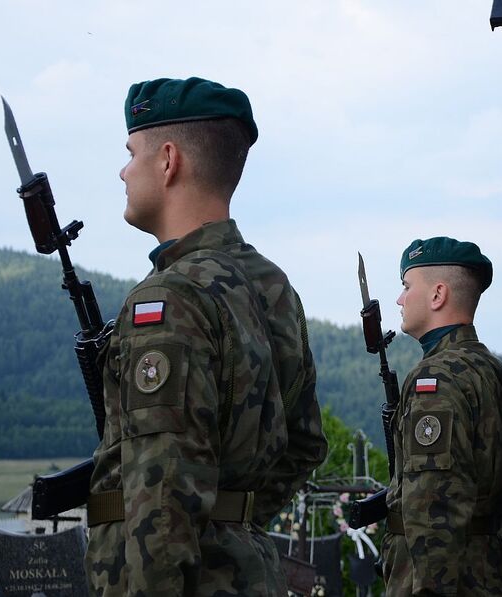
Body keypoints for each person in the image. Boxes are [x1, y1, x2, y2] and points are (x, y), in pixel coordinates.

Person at [84, 77, 327, 596]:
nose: (123, 171)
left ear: (168, 160)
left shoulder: (167, 298)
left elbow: (160, 494)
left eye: (131, 153)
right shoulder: (271, 286)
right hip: (245, 573)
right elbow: (304, 443)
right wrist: (230, 519)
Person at [381, 237, 502, 596]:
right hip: (484, 570)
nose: (400, 299)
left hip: (444, 580)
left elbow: (434, 504)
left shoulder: (436, 379)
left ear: (438, 295)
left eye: (407, 287)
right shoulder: (492, 369)